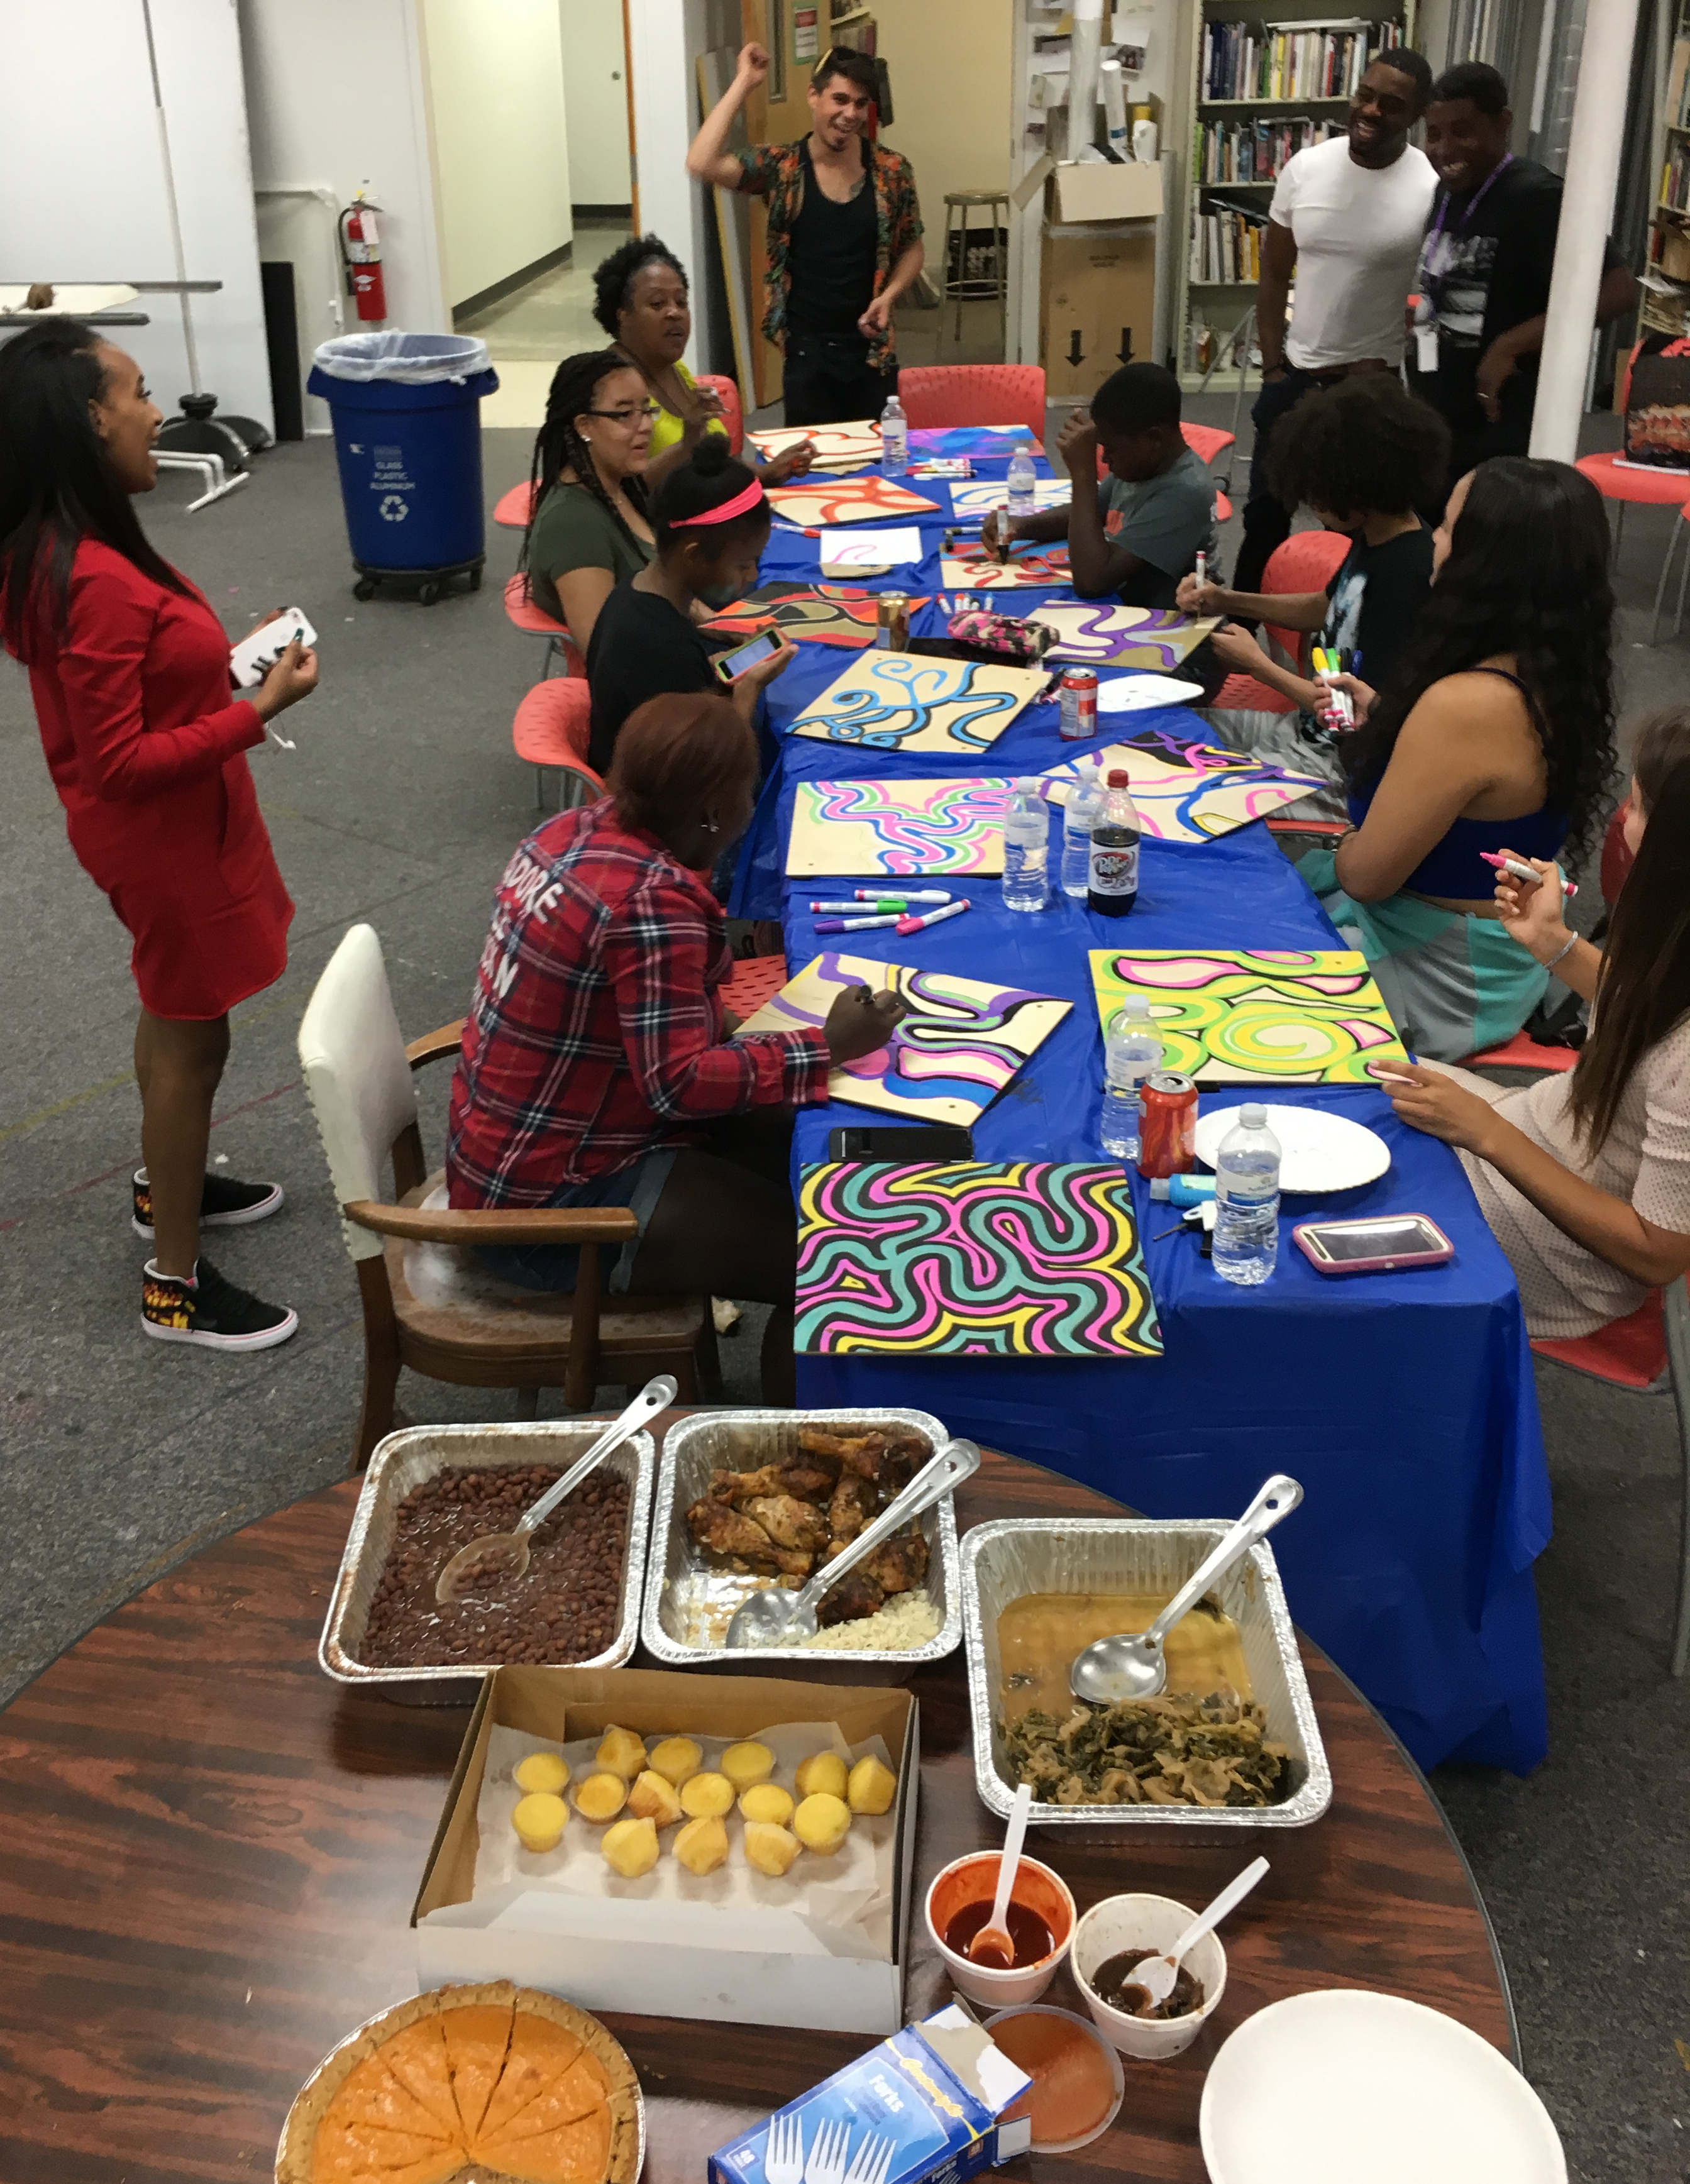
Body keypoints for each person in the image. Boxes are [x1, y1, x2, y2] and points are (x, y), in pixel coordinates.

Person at [446, 691, 906, 1403]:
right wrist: (827, 1047)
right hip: (547, 1208)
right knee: (828, 1266)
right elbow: (680, 1086)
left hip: (508, 1160)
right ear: (715, 813)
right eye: (747, 795)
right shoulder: (650, 904)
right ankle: (801, 1457)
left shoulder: (567, 831)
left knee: (816, 1161)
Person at [0, 319, 316, 1350]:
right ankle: (173, 1283)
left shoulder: (83, 549)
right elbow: (119, 763)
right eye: (135, 391)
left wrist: (225, 673)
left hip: (184, 824)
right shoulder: (87, 572)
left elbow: (133, 695)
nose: (154, 409)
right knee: (193, 1037)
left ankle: (160, 1182)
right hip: (163, 841)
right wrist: (254, 710)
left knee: (176, 1009)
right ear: (90, 419)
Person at [1374, 712, 1690, 1340]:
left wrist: (1484, 1132)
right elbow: (1651, 1015)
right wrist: (1553, 941)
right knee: (1347, 1078)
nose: (1621, 825)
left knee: (1329, 1190)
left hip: (1555, 1251)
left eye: (1637, 808)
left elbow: (1656, 1253)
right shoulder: (1675, 950)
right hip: (1535, 1137)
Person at [1306, 456, 1616, 1061]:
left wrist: (1345, 839)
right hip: (1485, 952)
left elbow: (1366, 877)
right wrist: (1393, 725)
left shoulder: (1467, 704)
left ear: (1482, 562)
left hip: (1437, 974)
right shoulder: (1554, 666)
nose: (1434, 541)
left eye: (1445, 527)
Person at [1180, 373, 1447, 790]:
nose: (1314, 505)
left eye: (1319, 494)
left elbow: (1360, 716)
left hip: (1338, 767)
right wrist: (1225, 599)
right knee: (1169, 733)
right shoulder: (1377, 536)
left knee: (1191, 789)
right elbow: (1327, 606)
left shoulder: (1408, 574)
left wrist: (1259, 667)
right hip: (1303, 733)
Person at [1237, 46, 1436, 596]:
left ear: (1414, 116)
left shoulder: (1429, 186)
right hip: (1295, 375)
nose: (1371, 111)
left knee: (1362, 526)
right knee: (1264, 519)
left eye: (1391, 105)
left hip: (1369, 386)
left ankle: (1353, 644)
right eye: (1365, 95)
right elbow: (1274, 277)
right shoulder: (1307, 169)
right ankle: (1238, 639)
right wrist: (1273, 366)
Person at [1409, 61, 1637, 508]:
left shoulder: (1537, 197)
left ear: (1503, 123)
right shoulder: (1449, 191)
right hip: (1438, 420)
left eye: (1463, 131)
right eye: (1434, 134)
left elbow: (1618, 290)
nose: (1445, 148)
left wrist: (1509, 345)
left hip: (1496, 427)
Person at [687, 43, 924, 427]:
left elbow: (913, 248)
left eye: (860, 104)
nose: (850, 115)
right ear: (813, 95)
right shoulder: (783, 168)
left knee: (877, 467)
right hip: (807, 353)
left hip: (872, 352)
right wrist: (745, 82)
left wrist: (889, 297)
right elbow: (701, 162)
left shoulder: (891, 170)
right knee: (812, 471)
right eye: (840, 100)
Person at [585, 436, 795, 777]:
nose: (753, 575)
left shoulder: (635, 593)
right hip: (662, 813)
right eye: (744, 564)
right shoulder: (663, 650)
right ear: (693, 555)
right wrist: (748, 689)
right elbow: (707, 774)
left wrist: (719, 662)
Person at [980, 363, 1218, 610]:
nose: (1105, 459)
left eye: (1110, 448)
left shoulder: (1185, 493)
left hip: (1172, 624)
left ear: (1153, 439)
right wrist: (1020, 524)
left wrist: (1083, 473)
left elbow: (1091, 582)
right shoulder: (1143, 466)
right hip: (1128, 603)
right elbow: (1090, 512)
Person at [590, 233, 814, 485]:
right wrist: (688, 443)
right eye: (657, 303)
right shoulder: (611, 385)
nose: (674, 312)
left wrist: (768, 471)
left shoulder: (676, 370)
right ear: (623, 316)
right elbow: (620, 491)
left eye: (681, 302)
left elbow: (713, 465)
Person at [521, 350, 656, 650]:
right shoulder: (572, 523)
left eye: (646, 410)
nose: (645, 425)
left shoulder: (621, 487)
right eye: (625, 414)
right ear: (584, 426)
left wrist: (720, 626)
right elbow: (606, 652)